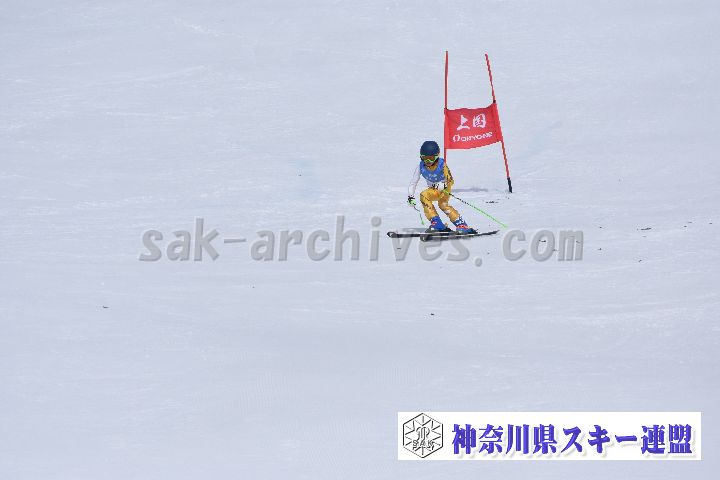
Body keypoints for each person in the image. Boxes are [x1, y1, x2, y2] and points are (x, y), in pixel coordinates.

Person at [407, 140, 476, 233]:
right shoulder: (420, 166)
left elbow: (451, 180)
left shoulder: (442, 165)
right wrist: (410, 196)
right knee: (424, 195)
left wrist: (443, 185)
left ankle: (462, 225)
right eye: (424, 158)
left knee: (442, 205)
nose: (427, 161)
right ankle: (437, 224)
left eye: (431, 158)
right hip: (433, 190)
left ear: (437, 156)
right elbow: (413, 182)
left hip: (445, 189)